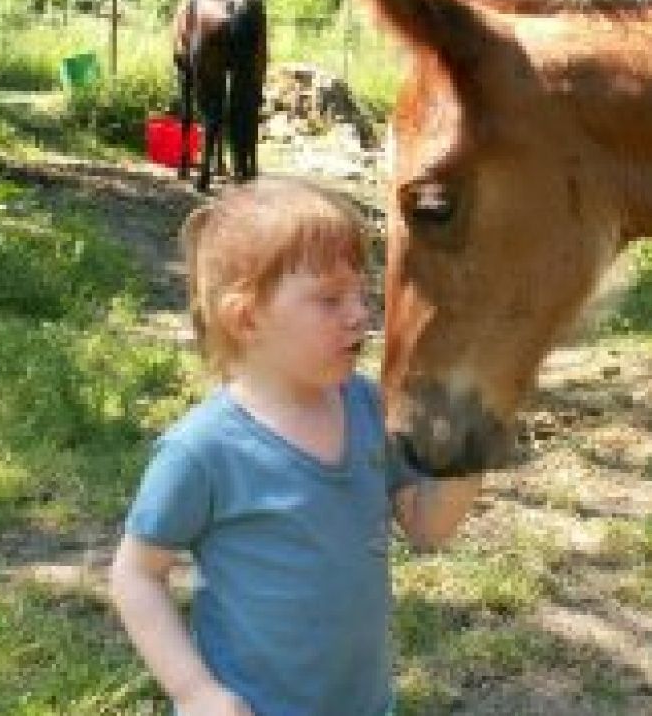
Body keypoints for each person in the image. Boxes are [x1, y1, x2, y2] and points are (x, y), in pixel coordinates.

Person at [109, 177, 480, 716]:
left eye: (361, 293)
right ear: (247, 318)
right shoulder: (204, 450)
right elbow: (136, 574)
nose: (359, 315)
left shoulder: (370, 408)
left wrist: (470, 450)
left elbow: (428, 524)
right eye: (330, 299)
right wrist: (195, 693)